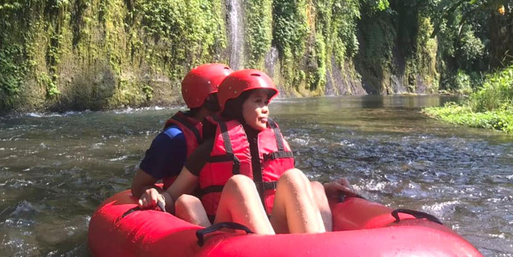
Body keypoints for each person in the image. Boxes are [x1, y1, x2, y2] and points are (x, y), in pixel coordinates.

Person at [137, 69, 353, 234]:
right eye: (257, 101)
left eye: (266, 102)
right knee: (240, 184)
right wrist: (157, 194)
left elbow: (280, 188)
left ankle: (316, 254)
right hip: (234, 233)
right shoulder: (208, 149)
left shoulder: (274, 141)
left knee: (299, 178)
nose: (266, 108)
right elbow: (173, 195)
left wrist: (323, 188)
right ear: (236, 105)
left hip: (272, 226)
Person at [130, 63, 232, 198]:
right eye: (226, 93)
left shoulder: (235, 127)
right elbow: (139, 186)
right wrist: (158, 195)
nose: (233, 98)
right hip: (188, 209)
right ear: (209, 98)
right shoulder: (173, 138)